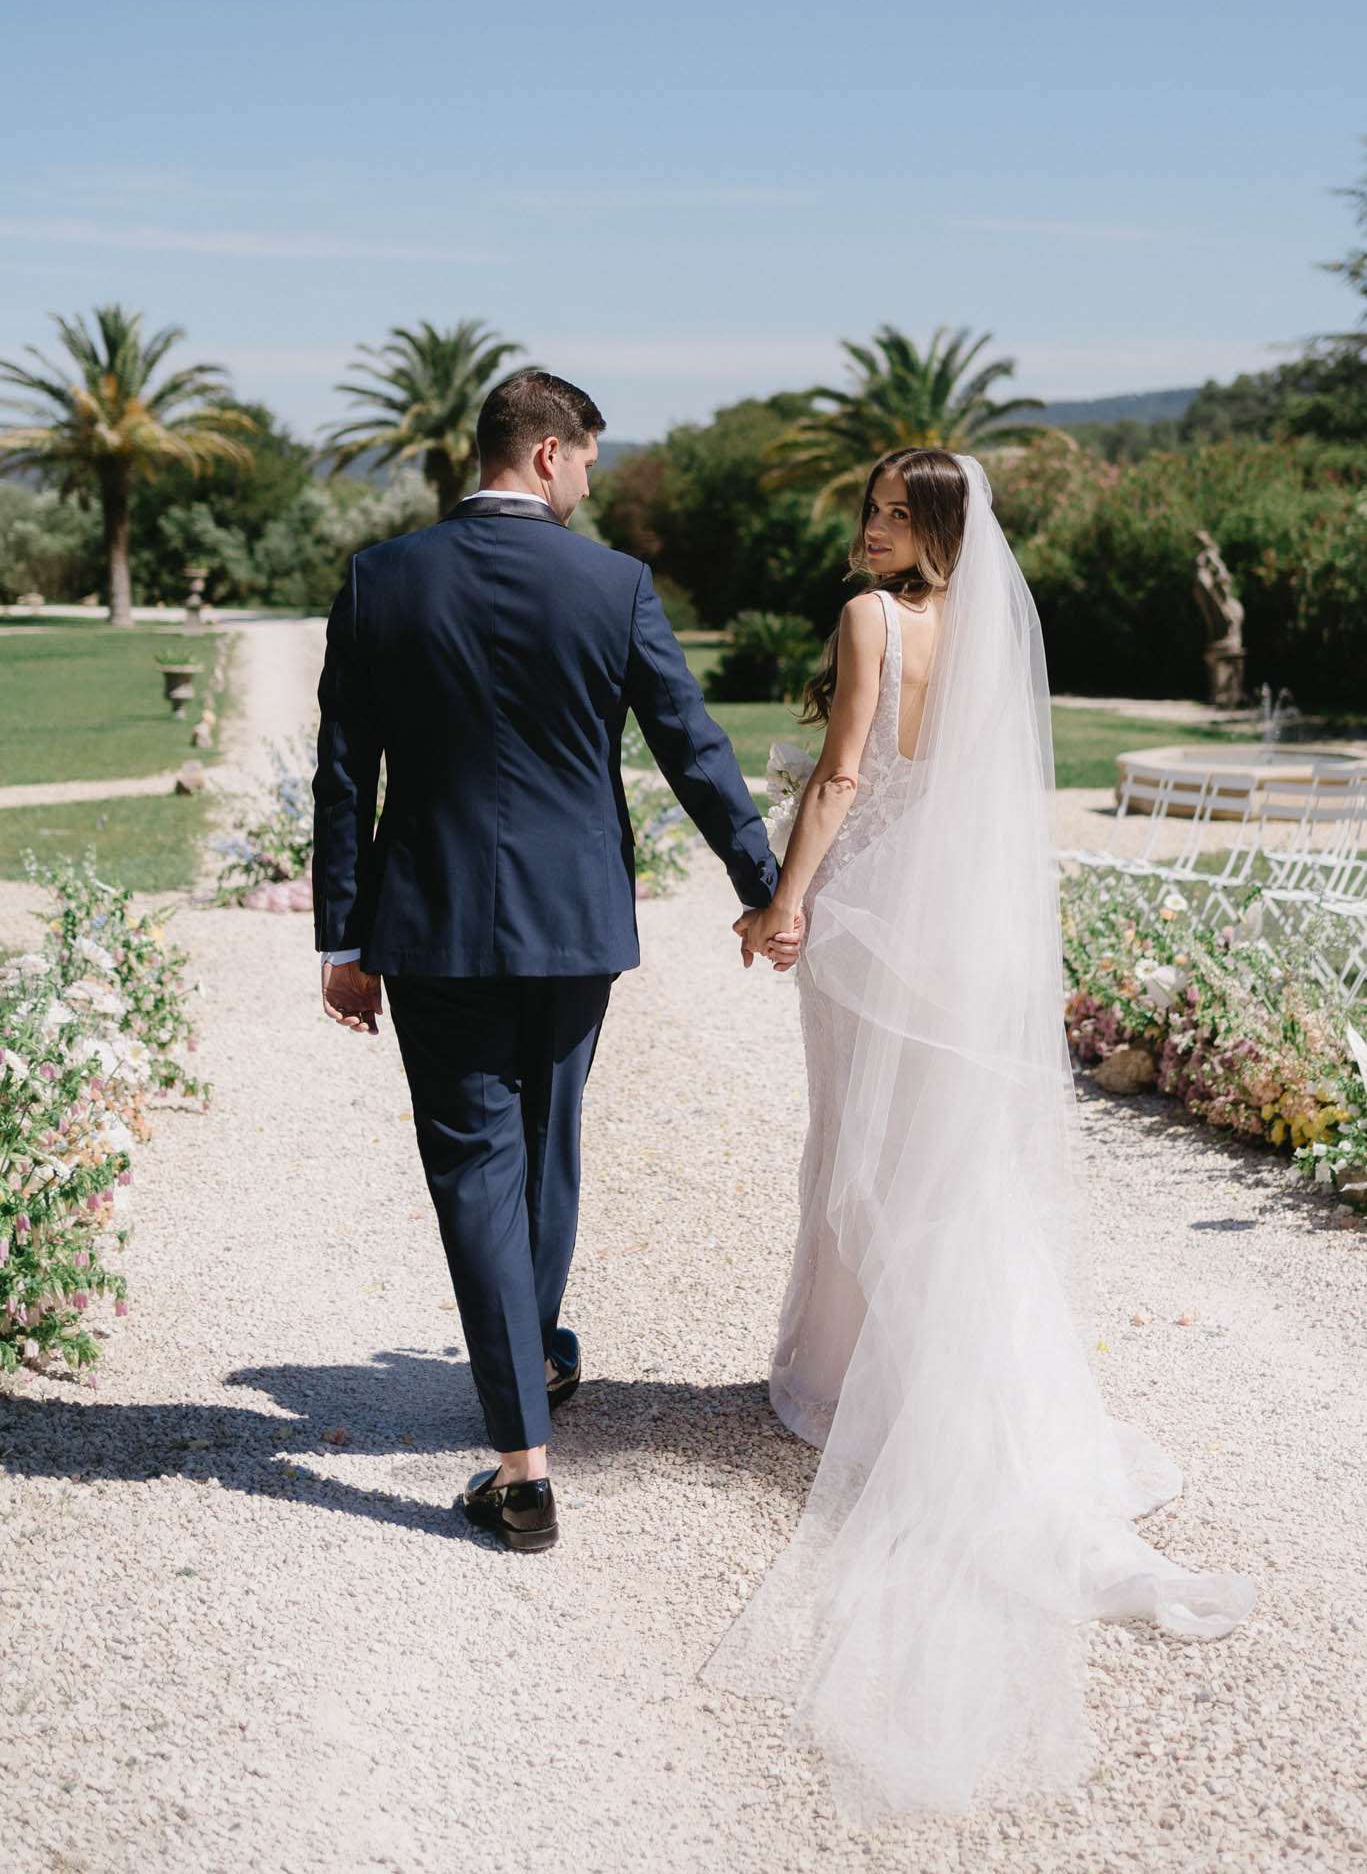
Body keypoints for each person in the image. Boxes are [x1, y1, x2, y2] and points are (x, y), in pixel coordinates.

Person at [711, 449, 1256, 1819]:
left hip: (872, 926)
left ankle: (842, 1385)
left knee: (856, 1154)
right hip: (961, 940)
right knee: (953, 1175)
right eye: (865, 513)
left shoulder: (869, 622)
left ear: (932, 528)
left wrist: (783, 904)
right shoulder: (991, 635)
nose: (861, 532)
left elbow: (838, 780)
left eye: (884, 515)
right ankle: (960, 1388)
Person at [311, 367, 795, 1554]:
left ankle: (523, 1438)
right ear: (543, 454)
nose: (590, 477)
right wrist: (765, 883)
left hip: (427, 925)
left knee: (475, 1160)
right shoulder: (612, 583)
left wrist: (343, 934)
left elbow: (341, 773)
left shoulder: (382, 578)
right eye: (585, 457)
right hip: (573, 921)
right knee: (545, 1144)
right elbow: (691, 741)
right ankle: (524, 1411)